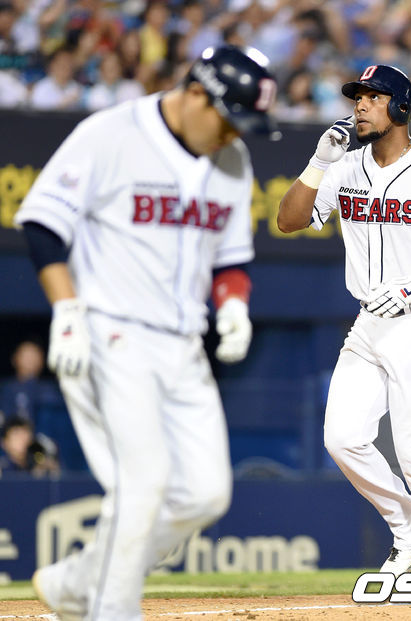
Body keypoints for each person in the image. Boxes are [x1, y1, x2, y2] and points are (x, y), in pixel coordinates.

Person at [16, 44, 279, 620]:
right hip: (111, 331)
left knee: (206, 493)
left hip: (183, 345)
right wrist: (66, 309)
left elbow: (231, 259)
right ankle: (112, 610)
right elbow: (41, 224)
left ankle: (75, 583)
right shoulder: (112, 133)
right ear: (196, 93)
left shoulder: (232, 161)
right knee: (144, 482)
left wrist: (233, 305)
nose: (235, 134)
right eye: (229, 119)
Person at [278, 65, 411, 586]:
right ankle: (408, 526)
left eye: (374, 97)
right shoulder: (345, 166)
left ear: (401, 106)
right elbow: (288, 220)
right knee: (342, 438)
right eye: (358, 97)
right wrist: (318, 163)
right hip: (370, 321)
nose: (361, 105)